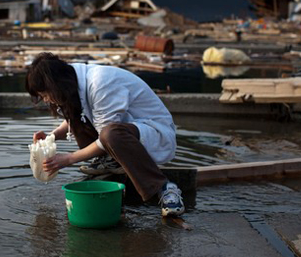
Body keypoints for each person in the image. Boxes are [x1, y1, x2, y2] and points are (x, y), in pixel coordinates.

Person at [26, 52, 184, 217]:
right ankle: (109, 163)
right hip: (123, 135)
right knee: (75, 112)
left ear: (56, 84)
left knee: (111, 134)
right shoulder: (74, 81)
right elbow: (78, 116)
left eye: (45, 94)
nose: (45, 100)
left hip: (154, 133)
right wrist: (52, 136)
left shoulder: (101, 82)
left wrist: (69, 158)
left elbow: (105, 138)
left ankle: (164, 187)